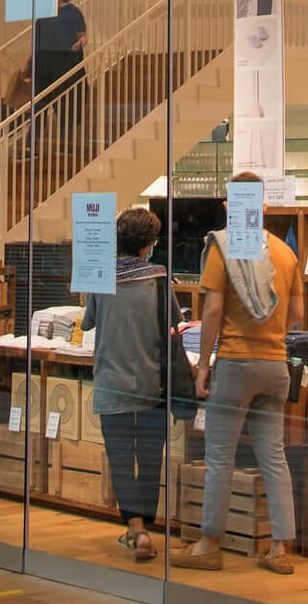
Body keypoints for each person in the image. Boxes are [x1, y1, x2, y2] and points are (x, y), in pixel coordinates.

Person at [179, 172, 303, 575]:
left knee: (219, 458)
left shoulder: (223, 248)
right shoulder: (285, 253)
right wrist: (272, 338)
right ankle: (280, 549)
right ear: (264, 207)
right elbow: (297, 314)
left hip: (234, 363)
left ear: (229, 207)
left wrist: (203, 366)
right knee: (274, 457)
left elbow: (213, 310)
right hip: (276, 365)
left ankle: (208, 545)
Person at [81, 206, 177, 563]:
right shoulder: (159, 278)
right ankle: (143, 528)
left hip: (112, 381)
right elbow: (173, 323)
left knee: (121, 458)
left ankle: (136, 529)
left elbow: (88, 322)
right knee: (150, 459)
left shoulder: (101, 277)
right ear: (148, 244)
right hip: (152, 383)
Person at [32, 0, 88, 152]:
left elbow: (82, 36)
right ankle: (31, 146)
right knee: (38, 106)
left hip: (64, 62)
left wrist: (80, 42)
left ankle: (66, 144)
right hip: (43, 63)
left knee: (65, 105)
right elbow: (37, 42)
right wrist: (29, 63)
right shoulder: (44, 15)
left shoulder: (72, 12)